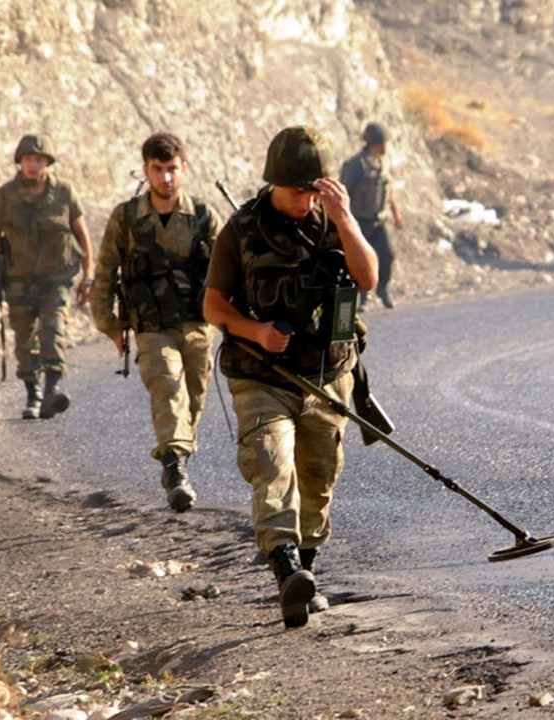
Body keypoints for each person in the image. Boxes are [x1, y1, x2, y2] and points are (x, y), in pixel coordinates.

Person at [203, 126, 378, 628]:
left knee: (319, 478)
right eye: (299, 190)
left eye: (314, 190)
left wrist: (344, 217)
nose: (306, 200)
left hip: (327, 375)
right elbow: (213, 306)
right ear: (275, 182)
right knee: (272, 463)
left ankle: (306, 573)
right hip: (262, 374)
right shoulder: (241, 230)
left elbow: (368, 278)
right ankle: (285, 569)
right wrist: (254, 330)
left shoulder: (333, 223)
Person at [89, 132, 223, 513]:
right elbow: (104, 274)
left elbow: (230, 269)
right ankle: (175, 470)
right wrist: (110, 326)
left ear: (184, 170)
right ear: (146, 169)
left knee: (193, 400)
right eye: (158, 170)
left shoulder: (202, 216)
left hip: (198, 325)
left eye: (172, 170)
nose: (166, 178)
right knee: (167, 386)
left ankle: (178, 459)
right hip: (151, 326)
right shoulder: (127, 217)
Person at [0, 134, 94, 420]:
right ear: (20, 162)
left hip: (56, 279)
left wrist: (88, 276)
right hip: (18, 281)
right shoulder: (5, 195)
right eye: (28, 159)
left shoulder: (64, 193)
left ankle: (52, 389)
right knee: (24, 340)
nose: (33, 165)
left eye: (39, 159)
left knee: (53, 329)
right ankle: (33, 393)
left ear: (48, 163)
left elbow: (82, 234)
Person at [340, 122, 403, 309]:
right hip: (360, 221)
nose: (386, 147)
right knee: (361, 260)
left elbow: (388, 191)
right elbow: (344, 191)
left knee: (388, 255)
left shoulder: (382, 163)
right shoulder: (356, 164)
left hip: (379, 220)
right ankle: (362, 297)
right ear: (374, 143)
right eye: (383, 142)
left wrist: (396, 214)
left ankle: (382, 287)